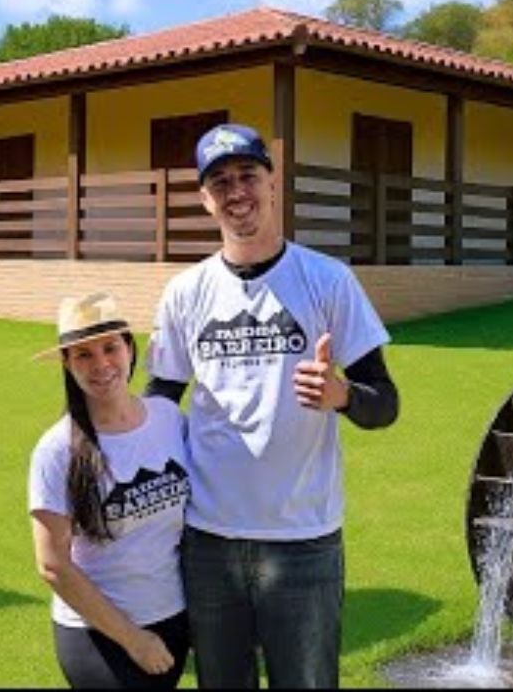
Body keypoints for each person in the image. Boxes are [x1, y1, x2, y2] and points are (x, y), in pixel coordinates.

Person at [144, 123, 400, 689]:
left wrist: (343, 396)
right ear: (205, 199)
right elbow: (160, 400)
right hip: (208, 539)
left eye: (247, 176)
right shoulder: (185, 293)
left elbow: (386, 403)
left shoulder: (328, 280)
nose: (237, 192)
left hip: (304, 539)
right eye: (221, 183)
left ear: (271, 181)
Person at [28, 292, 192, 689]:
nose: (101, 364)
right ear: (67, 364)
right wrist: (133, 640)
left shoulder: (170, 419)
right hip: (97, 633)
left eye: (109, 348)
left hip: (171, 615)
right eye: (82, 355)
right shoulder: (57, 450)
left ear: (129, 349)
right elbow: (53, 565)